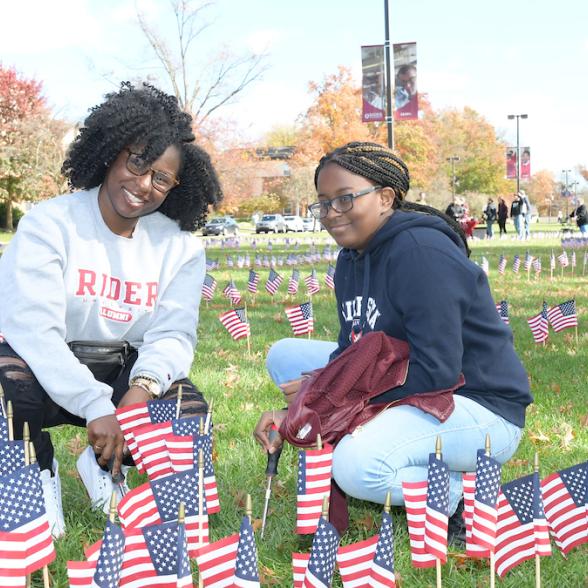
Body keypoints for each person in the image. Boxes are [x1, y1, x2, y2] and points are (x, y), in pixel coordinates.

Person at [254, 141, 531, 542]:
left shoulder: (421, 252)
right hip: (411, 383)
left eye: (346, 199)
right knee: (285, 356)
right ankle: (434, 467)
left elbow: (436, 371)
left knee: (353, 466)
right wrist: (302, 404)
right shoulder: (352, 256)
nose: (332, 214)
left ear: (385, 197)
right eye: (323, 203)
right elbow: (350, 350)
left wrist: (324, 405)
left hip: (477, 403)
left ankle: (463, 496)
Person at [0, 82, 222, 537]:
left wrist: (138, 394)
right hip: (42, 366)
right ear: (112, 151)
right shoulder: (50, 223)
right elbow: (33, 331)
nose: (144, 184)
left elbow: (173, 337)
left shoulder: (179, 247)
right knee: (3, 392)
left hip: (124, 369)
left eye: (162, 178)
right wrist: (96, 406)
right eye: (137, 162)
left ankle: (107, 467)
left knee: (186, 408)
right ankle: (36, 476)